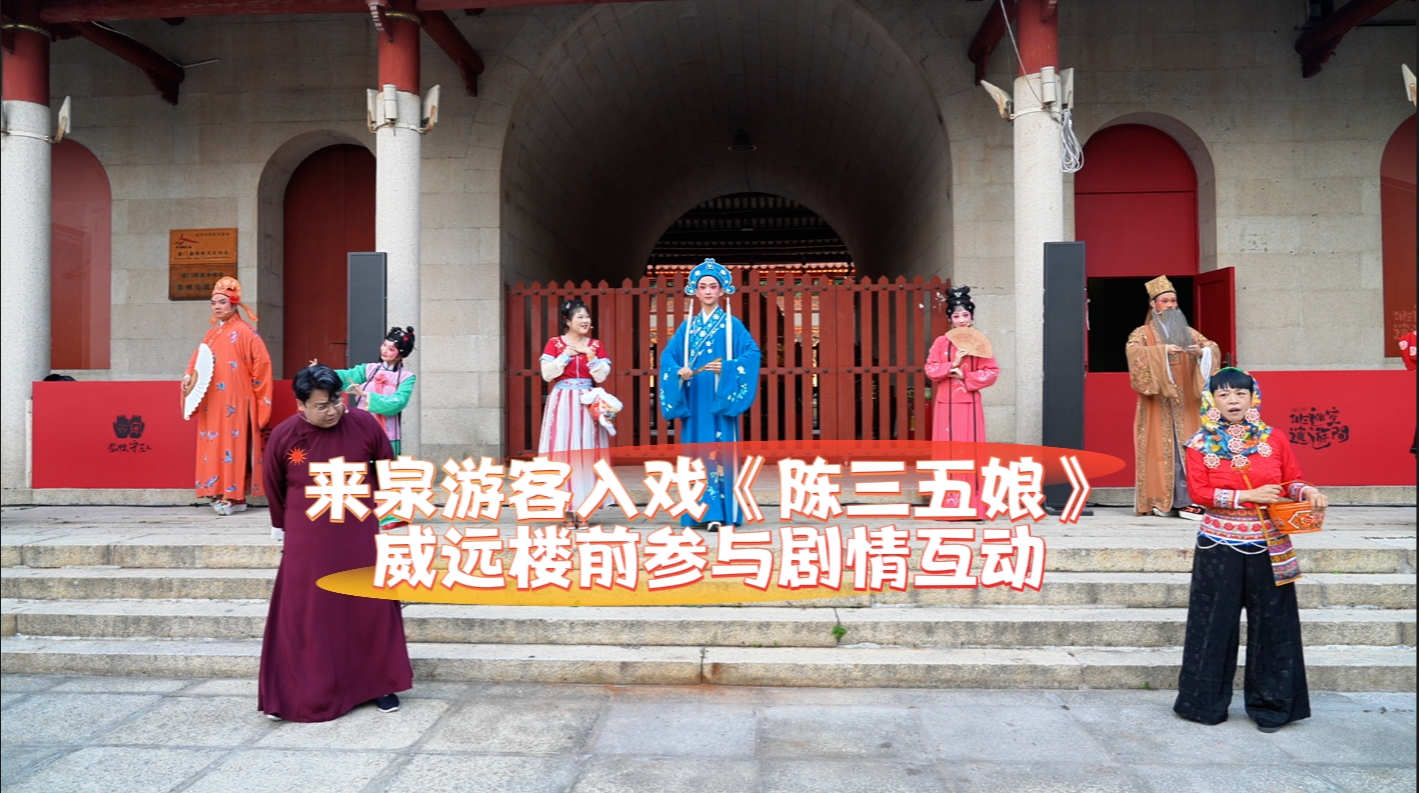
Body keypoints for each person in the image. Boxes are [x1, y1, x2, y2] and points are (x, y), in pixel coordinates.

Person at [1174, 367, 1328, 733]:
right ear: (1212, 400)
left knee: (1275, 625)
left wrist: (1308, 492)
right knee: (1213, 625)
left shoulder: (1275, 439)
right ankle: (1203, 705)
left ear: (1252, 398)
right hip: (1218, 544)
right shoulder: (1199, 444)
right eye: (1224, 394)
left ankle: (1273, 707)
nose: (1233, 401)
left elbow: (1290, 480)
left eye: (1240, 394)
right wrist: (1247, 495)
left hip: (1269, 543)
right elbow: (1199, 493)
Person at [259, 364, 412, 722]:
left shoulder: (364, 424)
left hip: (357, 530)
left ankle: (379, 684)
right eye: (321, 406)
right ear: (301, 405)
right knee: (308, 613)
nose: (332, 411)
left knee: (368, 607)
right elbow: (274, 486)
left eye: (336, 402)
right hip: (308, 537)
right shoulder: (285, 436)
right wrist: (284, 527)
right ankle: (306, 689)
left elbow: (386, 470)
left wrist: (383, 512)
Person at [658, 259, 761, 531]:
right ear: (695, 290)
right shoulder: (687, 328)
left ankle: (720, 513)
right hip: (694, 399)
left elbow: (752, 354)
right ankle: (698, 511)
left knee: (720, 452)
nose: (707, 291)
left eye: (712, 286)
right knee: (696, 452)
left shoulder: (732, 325)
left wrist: (728, 367)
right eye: (702, 286)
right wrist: (678, 370)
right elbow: (668, 356)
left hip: (719, 398)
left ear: (721, 290)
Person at [1125, 275, 1219, 520]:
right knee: (1159, 449)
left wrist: (1202, 352)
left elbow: (1211, 346)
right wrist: (1162, 351)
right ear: (1153, 305)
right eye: (1164, 301)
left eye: (1173, 301)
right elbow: (1133, 352)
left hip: (1186, 401)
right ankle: (1161, 501)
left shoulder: (1188, 332)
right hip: (1157, 403)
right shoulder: (1142, 333)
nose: (1169, 305)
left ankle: (1188, 500)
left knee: (1189, 447)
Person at [182, 277, 273, 516]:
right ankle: (219, 491)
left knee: (233, 446)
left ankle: (233, 496)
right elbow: (197, 360)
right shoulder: (211, 334)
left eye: (222, 302)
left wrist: (260, 403)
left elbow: (262, 367)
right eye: (213, 303)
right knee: (214, 444)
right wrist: (188, 375)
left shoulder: (247, 333)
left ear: (234, 303)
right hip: (212, 401)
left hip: (236, 401)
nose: (217, 307)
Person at [538, 300, 611, 516]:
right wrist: (565, 356)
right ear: (568, 321)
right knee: (562, 448)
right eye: (580, 317)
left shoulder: (595, 346)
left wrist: (590, 355)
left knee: (587, 450)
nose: (585, 320)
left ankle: (585, 508)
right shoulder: (554, 344)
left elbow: (601, 376)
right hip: (562, 401)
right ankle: (566, 510)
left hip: (588, 401)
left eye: (587, 316)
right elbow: (547, 374)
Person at [325, 326, 417, 456]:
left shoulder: (406, 377)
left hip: (388, 431)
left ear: (401, 354)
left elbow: (397, 402)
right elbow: (346, 376)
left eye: (391, 349)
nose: (384, 350)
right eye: (384, 345)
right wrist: (321, 372)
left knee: (384, 464)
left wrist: (365, 395)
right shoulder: (368, 369)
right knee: (359, 462)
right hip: (360, 426)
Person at [924, 286, 999, 442]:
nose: (961, 320)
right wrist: (952, 364)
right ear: (950, 319)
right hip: (945, 401)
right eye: (956, 316)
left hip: (969, 401)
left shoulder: (978, 342)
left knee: (969, 442)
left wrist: (964, 376)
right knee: (947, 443)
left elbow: (992, 372)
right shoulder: (941, 342)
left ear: (972, 316)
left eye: (965, 315)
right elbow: (930, 369)